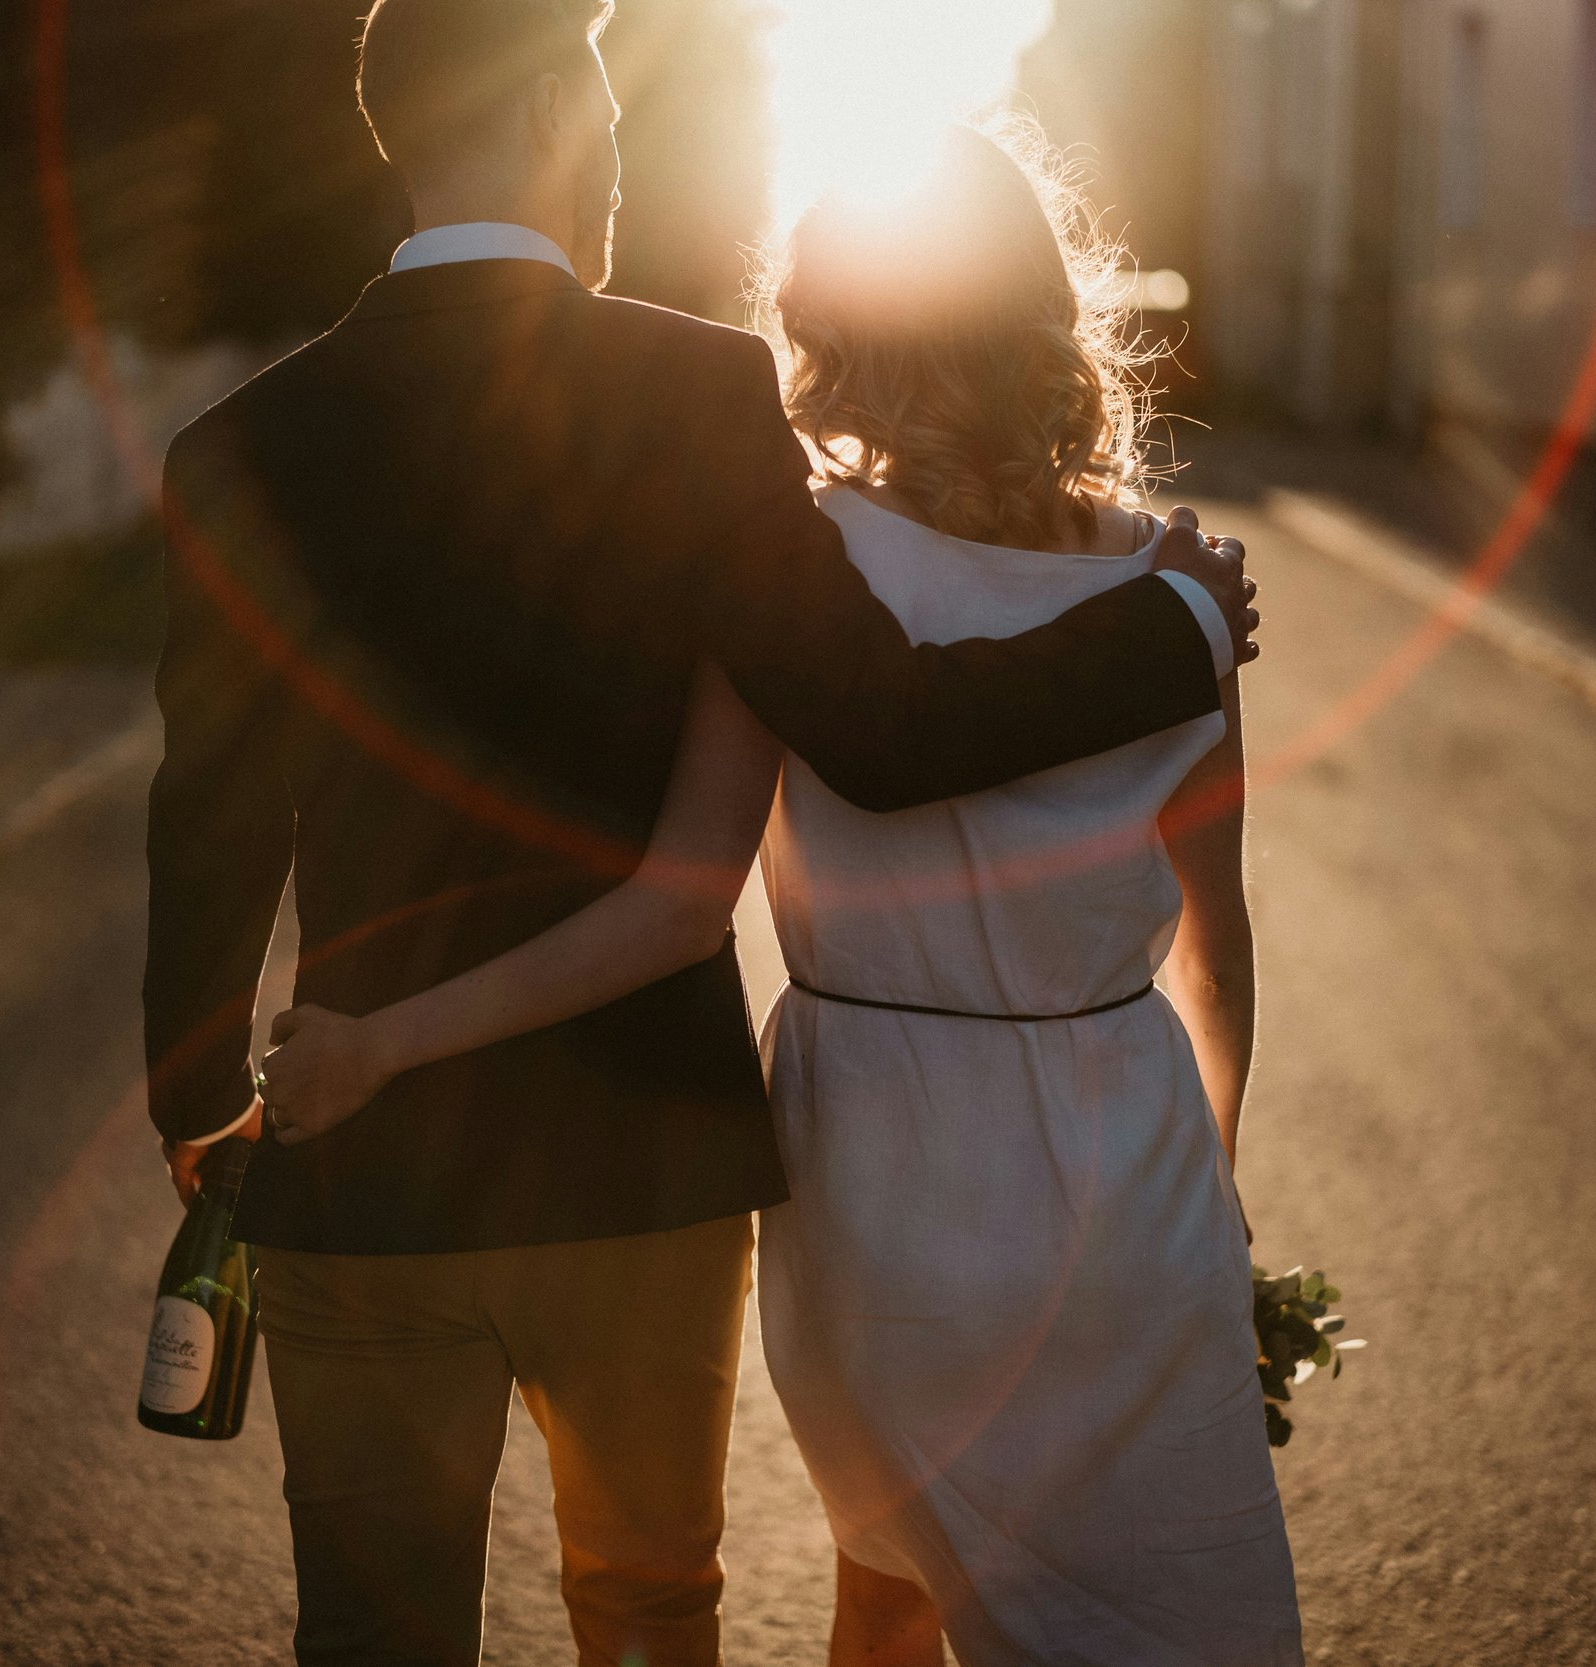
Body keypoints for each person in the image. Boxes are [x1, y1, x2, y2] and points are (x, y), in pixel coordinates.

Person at [146, 0, 1256, 1660]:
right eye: (598, 107)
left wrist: (201, 1107)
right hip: (640, 1168)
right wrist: (1172, 618)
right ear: (539, 106)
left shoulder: (238, 447)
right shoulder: (695, 390)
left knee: (373, 1630)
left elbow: (207, 829)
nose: (611, 157)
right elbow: (883, 725)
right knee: (652, 1610)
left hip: (361, 1169)